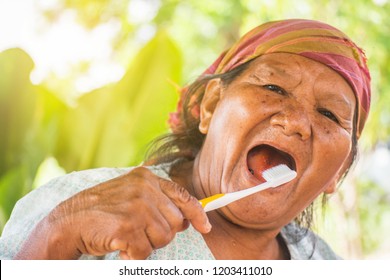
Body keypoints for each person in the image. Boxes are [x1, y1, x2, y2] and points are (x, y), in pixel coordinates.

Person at [0, 18, 371, 260]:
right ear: (210, 106)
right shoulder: (69, 205)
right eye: (273, 86)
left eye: (328, 114)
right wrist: (56, 236)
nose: (295, 122)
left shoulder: (321, 261)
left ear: (337, 173)